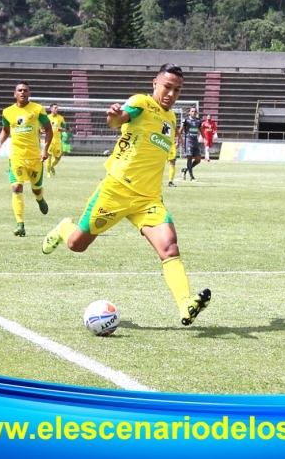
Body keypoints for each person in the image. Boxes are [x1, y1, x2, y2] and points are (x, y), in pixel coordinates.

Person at [41, 64, 212, 327]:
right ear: (155, 83)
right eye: (167, 87)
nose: (171, 93)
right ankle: (64, 227)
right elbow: (119, 119)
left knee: (169, 247)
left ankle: (185, 303)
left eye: (177, 90)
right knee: (77, 244)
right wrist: (114, 115)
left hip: (149, 200)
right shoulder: (141, 103)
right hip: (117, 189)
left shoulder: (171, 118)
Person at [0, 80, 52, 237]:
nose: (22, 92)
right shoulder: (7, 112)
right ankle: (20, 224)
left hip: (35, 157)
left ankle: (40, 198)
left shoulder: (37, 109)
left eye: (25, 90)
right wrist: (0, 142)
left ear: (29, 93)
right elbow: (6, 130)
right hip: (17, 157)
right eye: (19, 90)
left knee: (36, 188)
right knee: (16, 187)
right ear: (15, 94)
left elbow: (48, 129)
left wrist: (45, 150)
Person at [179, 107, 203, 181]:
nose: (193, 112)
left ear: (197, 113)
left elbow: (201, 130)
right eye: (192, 111)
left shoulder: (199, 121)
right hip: (188, 141)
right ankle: (192, 177)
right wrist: (178, 139)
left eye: (195, 111)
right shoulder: (186, 120)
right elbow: (180, 130)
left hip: (195, 141)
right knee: (189, 158)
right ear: (189, 112)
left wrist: (204, 138)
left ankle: (185, 170)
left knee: (198, 160)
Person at [46, 103, 67, 177]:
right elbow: (42, 128)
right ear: (51, 109)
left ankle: (51, 166)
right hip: (49, 140)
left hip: (57, 141)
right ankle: (48, 172)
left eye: (57, 108)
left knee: (58, 158)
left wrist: (62, 129)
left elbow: (66, 129)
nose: (57, 109)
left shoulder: (61, 118)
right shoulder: (47, 117)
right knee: (48, 156)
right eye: (55, 108)